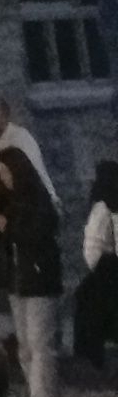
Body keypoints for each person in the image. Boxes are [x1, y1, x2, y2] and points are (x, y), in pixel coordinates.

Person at [0, 143, 67, 397]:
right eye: (1, 172)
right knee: (26, 348)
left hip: (39, 278)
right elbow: (7, 241)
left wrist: (8, 227)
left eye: (8, 171)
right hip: (16, 280)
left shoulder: (37, 198)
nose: (5, 178)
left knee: (40, 344)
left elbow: (40, 235)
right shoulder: (8, 200)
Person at [75, 160, 118, 376]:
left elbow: (95, 244)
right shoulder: (104, 207)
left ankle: (94, 357)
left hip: (108, 271)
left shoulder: (103, 207)